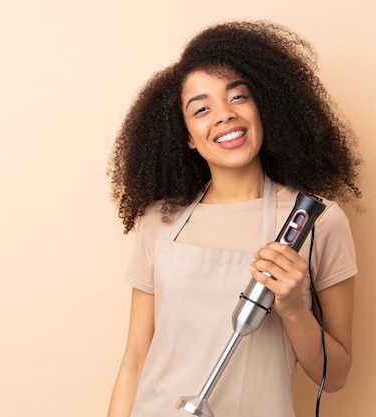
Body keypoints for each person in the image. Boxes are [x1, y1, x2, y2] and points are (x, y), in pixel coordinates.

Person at [107, 20, 361, 417]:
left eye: (238, 96)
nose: (224, 115)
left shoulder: (314, 220)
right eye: (202, 108)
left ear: (263, 106)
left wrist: (293, 306)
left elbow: (337, 376)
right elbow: (135, 359)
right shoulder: (161, 222)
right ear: (187, 135)